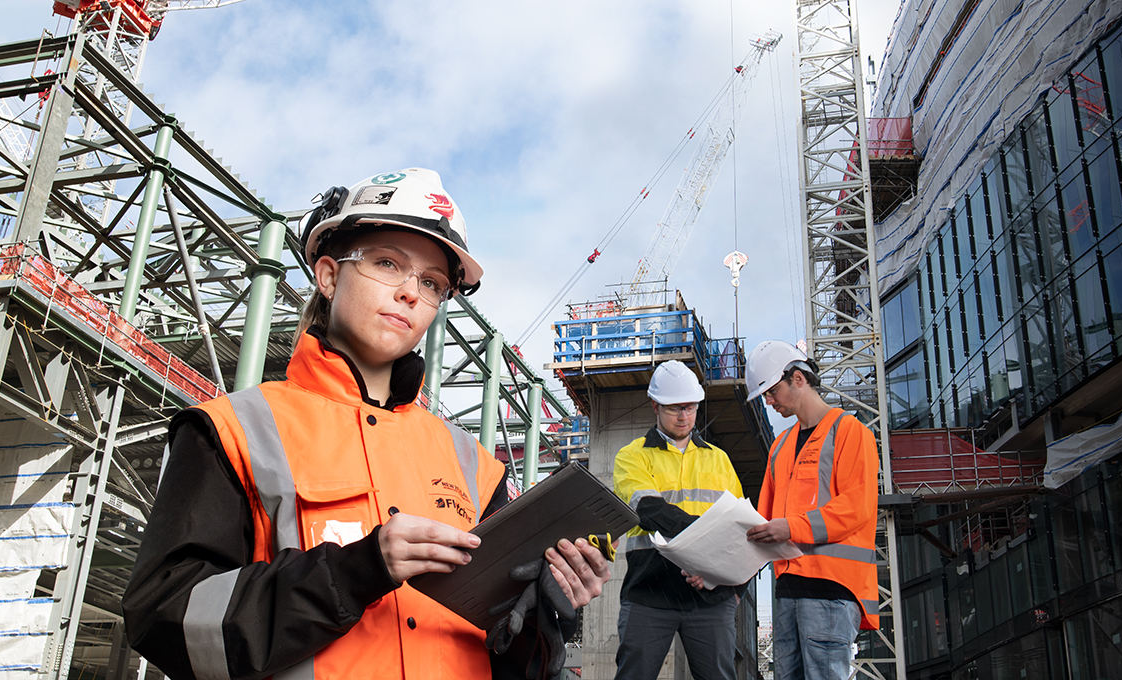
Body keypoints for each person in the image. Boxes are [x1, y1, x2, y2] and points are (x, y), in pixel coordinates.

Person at [122, 168, 611, 680]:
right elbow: (167, 618)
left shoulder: (475, 466)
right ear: (329, 276)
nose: (410, 293)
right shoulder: (233, 431)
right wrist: (358, 571)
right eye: (387, 263)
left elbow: (503, 658)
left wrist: (544, 614)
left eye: (431, 283)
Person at [743, 341, 880, 680]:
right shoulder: (780, 447)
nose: (769, 401)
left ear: (799, 379)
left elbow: (856, 507)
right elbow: (760, 525)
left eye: (772, 391)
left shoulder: (850, 432)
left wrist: (791, 528)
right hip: (788, 590)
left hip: (832, 589)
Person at [610, 360, 746, 680]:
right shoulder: (632, 455)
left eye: (691, 407)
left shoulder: (719, 459)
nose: (684, 416)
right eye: (674, 408)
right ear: (655, 406)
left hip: (711, 597)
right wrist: (707, 546)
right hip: (649, 591)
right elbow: (650, 510)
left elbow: (740, 528)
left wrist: (736, 588)